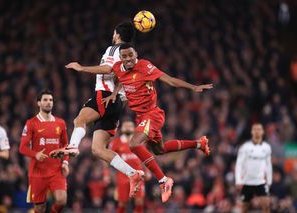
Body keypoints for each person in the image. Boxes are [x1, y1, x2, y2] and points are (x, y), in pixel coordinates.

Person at [65, 43, 213, 202]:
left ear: (136, 54)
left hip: (152, 114)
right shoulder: (119, 67)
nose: (128, 59)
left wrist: (193, 87)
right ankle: (199, 144)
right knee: (160, 149)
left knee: (134, 144)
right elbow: (106, 70)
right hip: (141, 117)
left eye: (131, 55)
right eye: (124, 56)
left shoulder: (145, 67)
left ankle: (164, 181)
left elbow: (169, 80)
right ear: (120, 58)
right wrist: (82, 69)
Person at [50, 22, 144, 197]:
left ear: (117, 34)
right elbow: (124, 79)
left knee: (80, 120)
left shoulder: (114, 49)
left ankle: (72, 147)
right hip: (117, 104)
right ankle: (133, 173)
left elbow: (108, 70)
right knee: (98, 149)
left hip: (105, 95)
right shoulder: (133, 57)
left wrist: (82, 68)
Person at [19, 90, 69, 213]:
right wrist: (35, 154)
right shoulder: (31, 123)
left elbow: (66, 145)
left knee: (62, 200)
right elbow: (22, 147)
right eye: (45, 100)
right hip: (37, 172)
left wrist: (65, 163)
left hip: (56, 170)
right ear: (38, 103)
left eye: (51, 100)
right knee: (39, 208)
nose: (48, 103)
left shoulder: (60, 122)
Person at [108, 119, 145, 213]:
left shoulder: (139, 141)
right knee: (122, 202)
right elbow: (108, 157)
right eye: (126, 126)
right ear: (122, 128)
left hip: (138, 175)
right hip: (122, 176)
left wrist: (147, 171)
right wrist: (106, 173)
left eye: (130, 126)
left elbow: (144, 157)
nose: (128, 128)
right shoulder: (116, 142)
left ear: (134, 128)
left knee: (139, 201)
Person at [235, 123, 272, 213]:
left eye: (259, 129)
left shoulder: (266, 148)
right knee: (244, 208)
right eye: (254, 129)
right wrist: (238, 180)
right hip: (247, 182)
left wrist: (269, 180)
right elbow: (239, 164)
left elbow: (268, 164)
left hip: (260, 182)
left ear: (263, 132)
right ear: (251, 132)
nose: (257, 131)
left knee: (266, 206)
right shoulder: (245, 147)